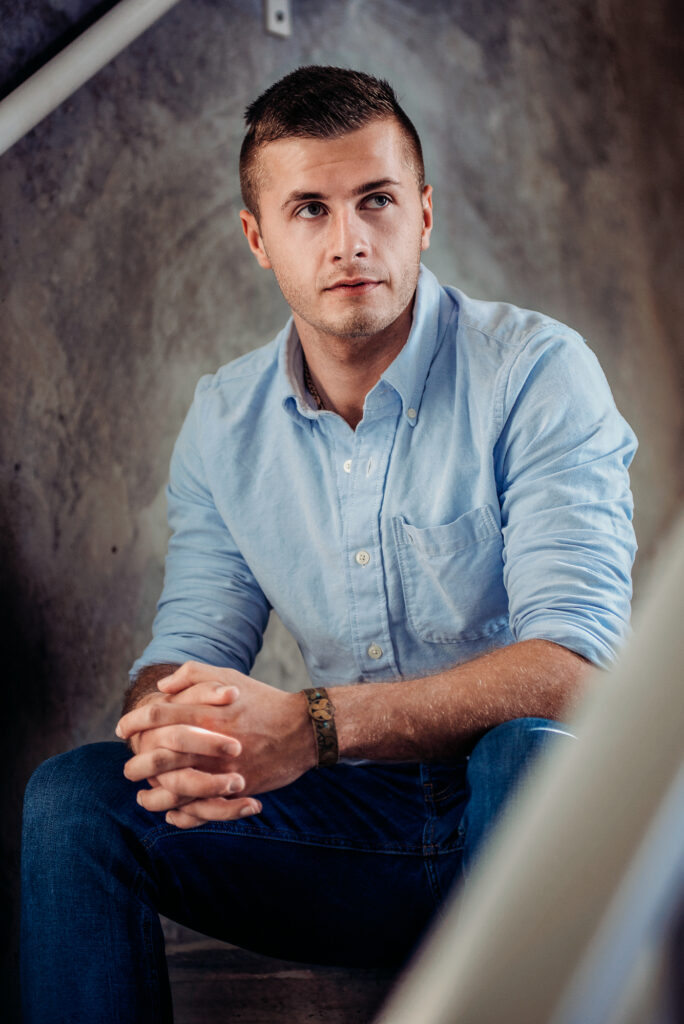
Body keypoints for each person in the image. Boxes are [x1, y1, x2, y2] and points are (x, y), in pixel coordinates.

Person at [21, 66, 637, 1021]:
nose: (350, 241)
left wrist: (313, 726)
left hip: (529, 838)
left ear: (424, 214)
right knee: (75, 801)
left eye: (377, 200)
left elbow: (578, 669)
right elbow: (187, 646)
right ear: (257, 238)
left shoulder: (536, 373)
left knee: (529, 749)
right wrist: (171, 721)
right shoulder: (224, 422)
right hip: (350, 841)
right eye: (309, 208)